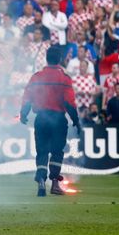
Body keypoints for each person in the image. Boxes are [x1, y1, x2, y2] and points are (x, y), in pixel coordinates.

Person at [20, 45, 82, 197]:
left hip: (41, 119)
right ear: (60, 59)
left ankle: (41, 180)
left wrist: (23, 113)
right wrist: (76, 120)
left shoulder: (36, 77)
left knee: (42, 151)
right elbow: (69, 102)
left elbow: (27, 98)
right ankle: (54, 184)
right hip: (58, 120)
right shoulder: (64, 78)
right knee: (56, 152)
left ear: (46, 59)